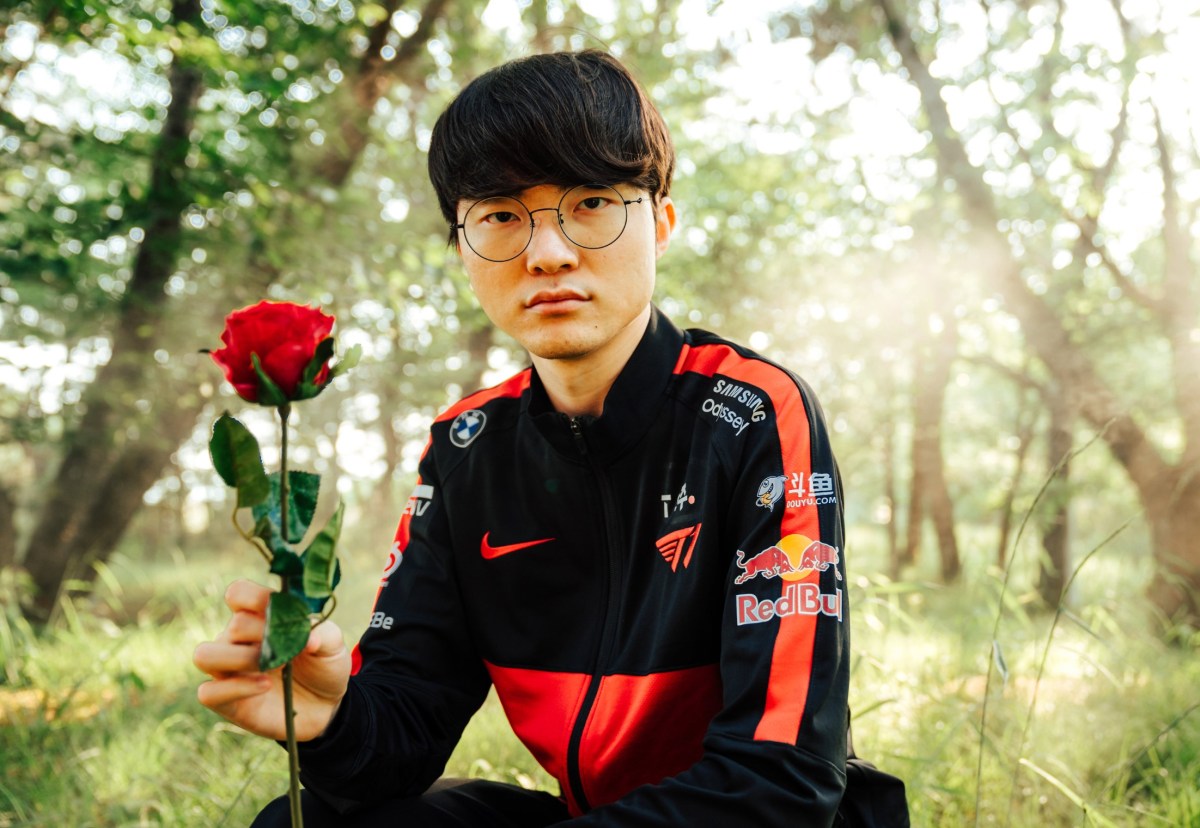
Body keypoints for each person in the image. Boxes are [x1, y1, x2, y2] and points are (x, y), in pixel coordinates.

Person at [194, 49, 850, 827]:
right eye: (503, 215)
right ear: (462, 247)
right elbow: (404, 728)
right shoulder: (469, 446)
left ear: (662, 222)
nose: (549, 252)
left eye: (594, 203)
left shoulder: (750, 413)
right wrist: (331, 721)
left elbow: (784, 778)